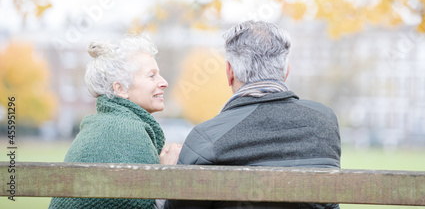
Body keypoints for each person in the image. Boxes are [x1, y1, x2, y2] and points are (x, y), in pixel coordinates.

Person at [166, 20, 341, 209]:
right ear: (286, 71)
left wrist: (168, 171)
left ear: (229, 72)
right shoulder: (324, 121)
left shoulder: (206, 137)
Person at [49, 33, 181, 209]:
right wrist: (166, 173)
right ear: (120, 89)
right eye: (152, 76)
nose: (164, 82)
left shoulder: (100, 125)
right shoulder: (128, 133)